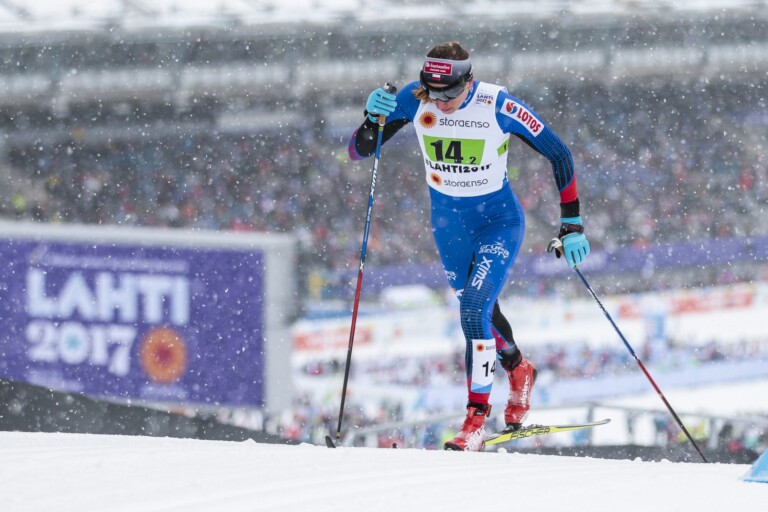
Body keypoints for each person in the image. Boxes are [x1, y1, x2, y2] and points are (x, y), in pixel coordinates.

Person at [348, 41, 590, 451]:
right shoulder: (414, 99)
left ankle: (475, 422)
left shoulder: (498, 105)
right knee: (481, 312)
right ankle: (518, 367)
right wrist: (371, 118)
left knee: (473, 310)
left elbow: (559, 153)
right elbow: (359, 151)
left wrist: (572, 223)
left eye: (450, 94)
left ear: (469, 81)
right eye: (433, 93)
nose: (441, 103)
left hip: (498, 224)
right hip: (449, 227)